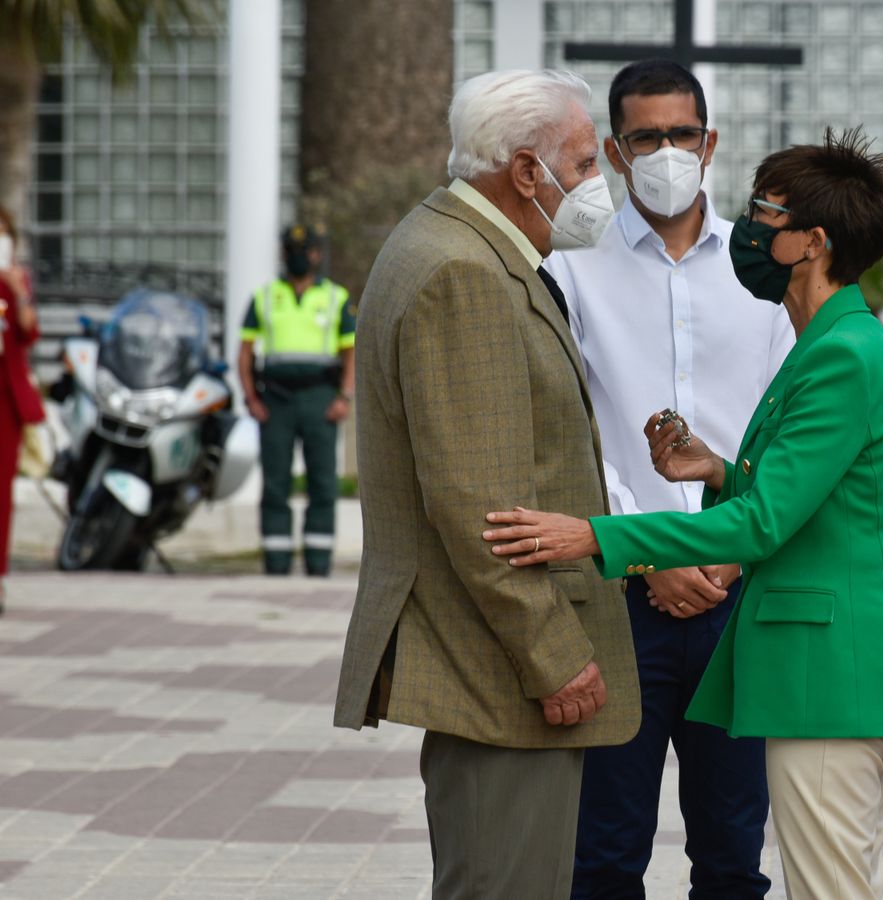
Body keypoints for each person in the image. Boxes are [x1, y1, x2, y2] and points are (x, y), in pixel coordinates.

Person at [479, 129, 883, 900]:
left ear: (812, 243)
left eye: (765, 215)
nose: (747, 230)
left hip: (830, 673)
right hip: (824, 668)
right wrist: (716, 469)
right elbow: (809, 495)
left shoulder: (842, 354)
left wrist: (596, 535)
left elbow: (762, 525)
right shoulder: (829, 341)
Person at [332, 69, 641, 900]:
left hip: (491, 658)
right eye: (582, 165)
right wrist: (554, 658)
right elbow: (483, 506)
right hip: (502, 669)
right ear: (525, 172)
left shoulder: (459, 245)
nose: (597, 186)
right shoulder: (464, 274)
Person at [541, 59, 789, 899]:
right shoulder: (570, 267)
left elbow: (785, 422)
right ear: (614, 152)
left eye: (682, 135)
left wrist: (727, 550)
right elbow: (565, 432)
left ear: (711, 143)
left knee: (732, 857)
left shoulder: (767, 272)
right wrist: (653, 554)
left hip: (736, 599)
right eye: (646, 138)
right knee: (603, 858)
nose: (667, 152)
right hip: (620, 605)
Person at [236, 224, 354, 576]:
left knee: (322, 483)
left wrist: (344, 398)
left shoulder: (336, 297)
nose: (300, 256)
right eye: (292, 250)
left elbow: (351, 353)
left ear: (317, 255)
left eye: (307, 250)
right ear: (284, 254)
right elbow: (244, 354)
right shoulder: (264, 297)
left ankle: (318, 563)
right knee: (275, 483)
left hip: (320, 400)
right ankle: (276, 562)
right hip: (276, 402)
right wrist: (251, 399)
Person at [0, 207, 43, 615]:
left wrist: (17, 291)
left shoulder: (17, 282)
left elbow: (29, 332)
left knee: (1, 492)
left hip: (6, 400)